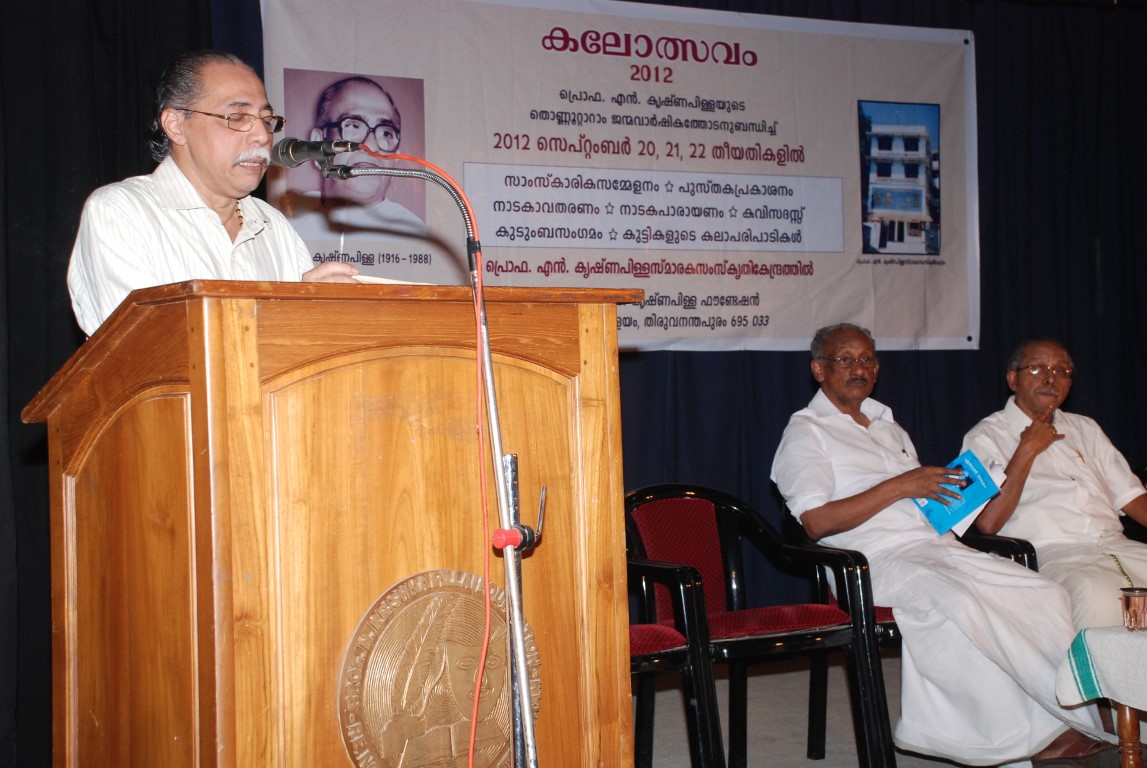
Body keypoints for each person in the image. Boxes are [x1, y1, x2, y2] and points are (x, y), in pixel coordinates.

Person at [771, 323, 1111, 766]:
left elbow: (921, 503)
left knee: (1042, 591)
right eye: (846, 359)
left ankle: (1070, 718)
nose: (859, 368)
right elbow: (815, 522)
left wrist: (958, 498)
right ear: (819, 369)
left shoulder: (888, 425)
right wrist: (902, 485)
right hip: (871, 560)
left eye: (868, 359)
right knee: (963, 603)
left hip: (935, 546)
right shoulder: (806, 432)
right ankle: (1026, 739)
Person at [67, 50, 357, 336]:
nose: (261, 135)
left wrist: (316, 312)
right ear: (176, 126)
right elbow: (146, 347)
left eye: (267, 120)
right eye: (237, 116)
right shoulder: (121, 212)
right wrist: (293, 317)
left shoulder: (274, 226)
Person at [962, 339, 1147, 630]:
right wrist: (1026, 449)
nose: (1050, 379)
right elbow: (988, 522)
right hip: (1053, 554)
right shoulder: (985, 437)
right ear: (1013, 380)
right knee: (1097, 599)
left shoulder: (1086, 428)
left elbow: (1133, 498)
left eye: (1061, 371)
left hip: (1116, 545)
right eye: (1037, 369)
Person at [281, 75, 427, 243]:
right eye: (353, 126)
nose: (371, 145)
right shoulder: (286, 226)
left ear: (395, 161)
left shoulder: (416, 236)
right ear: (318, 145)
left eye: (386, 133)